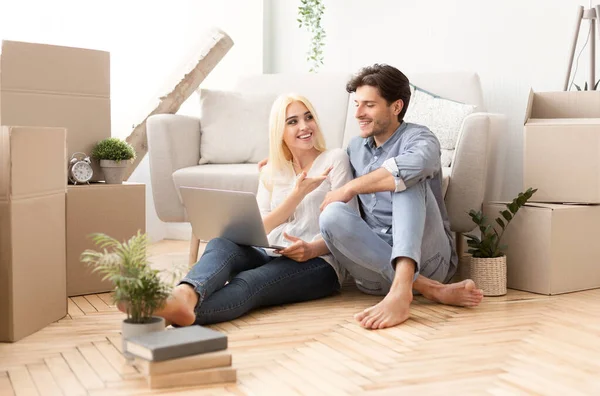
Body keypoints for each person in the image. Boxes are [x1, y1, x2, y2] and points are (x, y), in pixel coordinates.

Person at [131, 93, 359, 326]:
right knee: (220, 243)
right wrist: (296, 195)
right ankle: (183, 296)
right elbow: (260, 227)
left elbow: (348, 228)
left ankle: (162, 315)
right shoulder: (273, 169)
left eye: (308, 117)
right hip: (272, 251)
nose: (304, 126)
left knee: (249, 282)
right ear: (279, 131)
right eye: (292, 121)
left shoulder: (335, 159)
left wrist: (311, 249)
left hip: (320, 262)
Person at [318, 64, 483, 330]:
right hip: (374, 274)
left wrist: (351, 187)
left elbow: (410, 168)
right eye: (357, 104)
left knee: (405, 179)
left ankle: (405, 285)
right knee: (331, 214)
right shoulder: (355, 147)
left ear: (396, 107)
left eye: (368, 105)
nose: (358, 113)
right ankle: (428, 290)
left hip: (429, 260)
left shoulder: (421, 137)